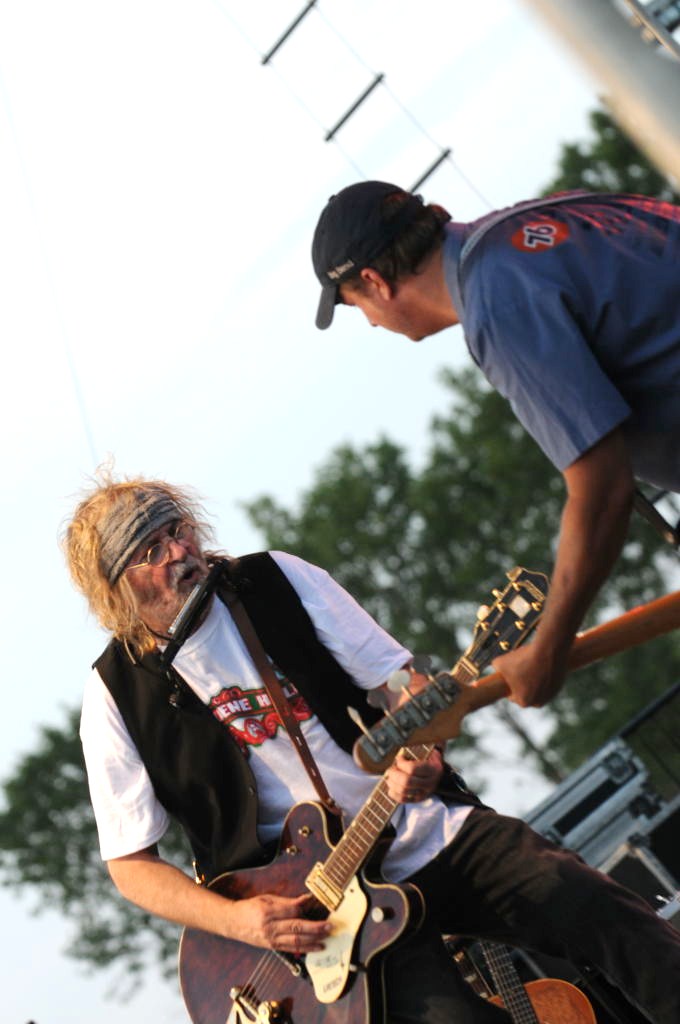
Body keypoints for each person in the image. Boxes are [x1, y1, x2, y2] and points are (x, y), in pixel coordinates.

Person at [66, 474, 680, 1023]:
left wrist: (424, 751)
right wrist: (241, 921)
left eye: (178, 530)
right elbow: (131, 867)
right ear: (119, 590)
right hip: (323, 925)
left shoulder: (275, 579)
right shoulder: (114, 695)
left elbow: (399, 684)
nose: (179, 552)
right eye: (152, 550)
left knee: (595, 906)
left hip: (419, 826)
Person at [311, 181, 680, 709]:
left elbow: (602, 489)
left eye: (355, 305)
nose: (371, 322)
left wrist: (547, 649)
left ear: (374, 281)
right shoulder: (541, 220)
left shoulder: (496, 301)